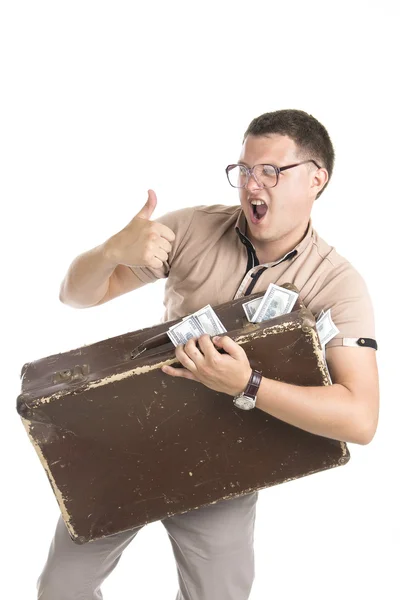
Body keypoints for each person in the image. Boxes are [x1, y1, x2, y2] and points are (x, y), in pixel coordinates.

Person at [37, 109, 379, 600]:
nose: (251, 184)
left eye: (271, 171)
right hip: (130, 439)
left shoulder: (337, 285)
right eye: (244, 170)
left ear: (316, 179)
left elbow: (360, 418)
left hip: (224, 466)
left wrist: (247, 385)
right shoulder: (192, 228)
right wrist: (112, 249)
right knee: (59, 588)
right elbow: (76, 294)